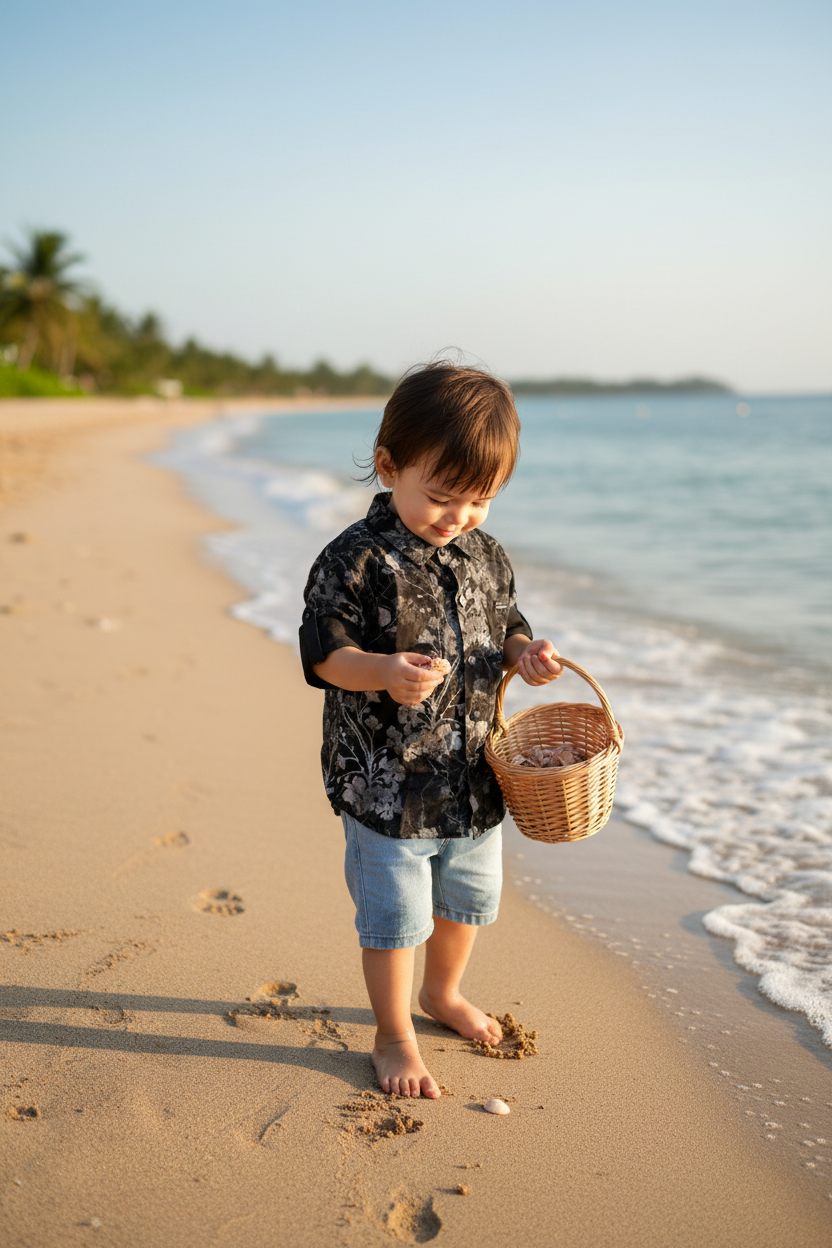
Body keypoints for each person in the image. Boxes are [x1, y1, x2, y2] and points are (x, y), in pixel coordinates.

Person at [299, 361, 562, 1099]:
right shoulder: (354, 558)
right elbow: (324, 655)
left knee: (467, 900)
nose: (458, 516)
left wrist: (526, 655)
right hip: (386, 786)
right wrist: (381, 671)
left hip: (472, 778)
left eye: (480, 499)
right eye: (442, 497)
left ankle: (442, 993)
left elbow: (506, 625)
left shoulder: (488, 555)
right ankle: (392, 1034)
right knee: (395, 918)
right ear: (389, 467)